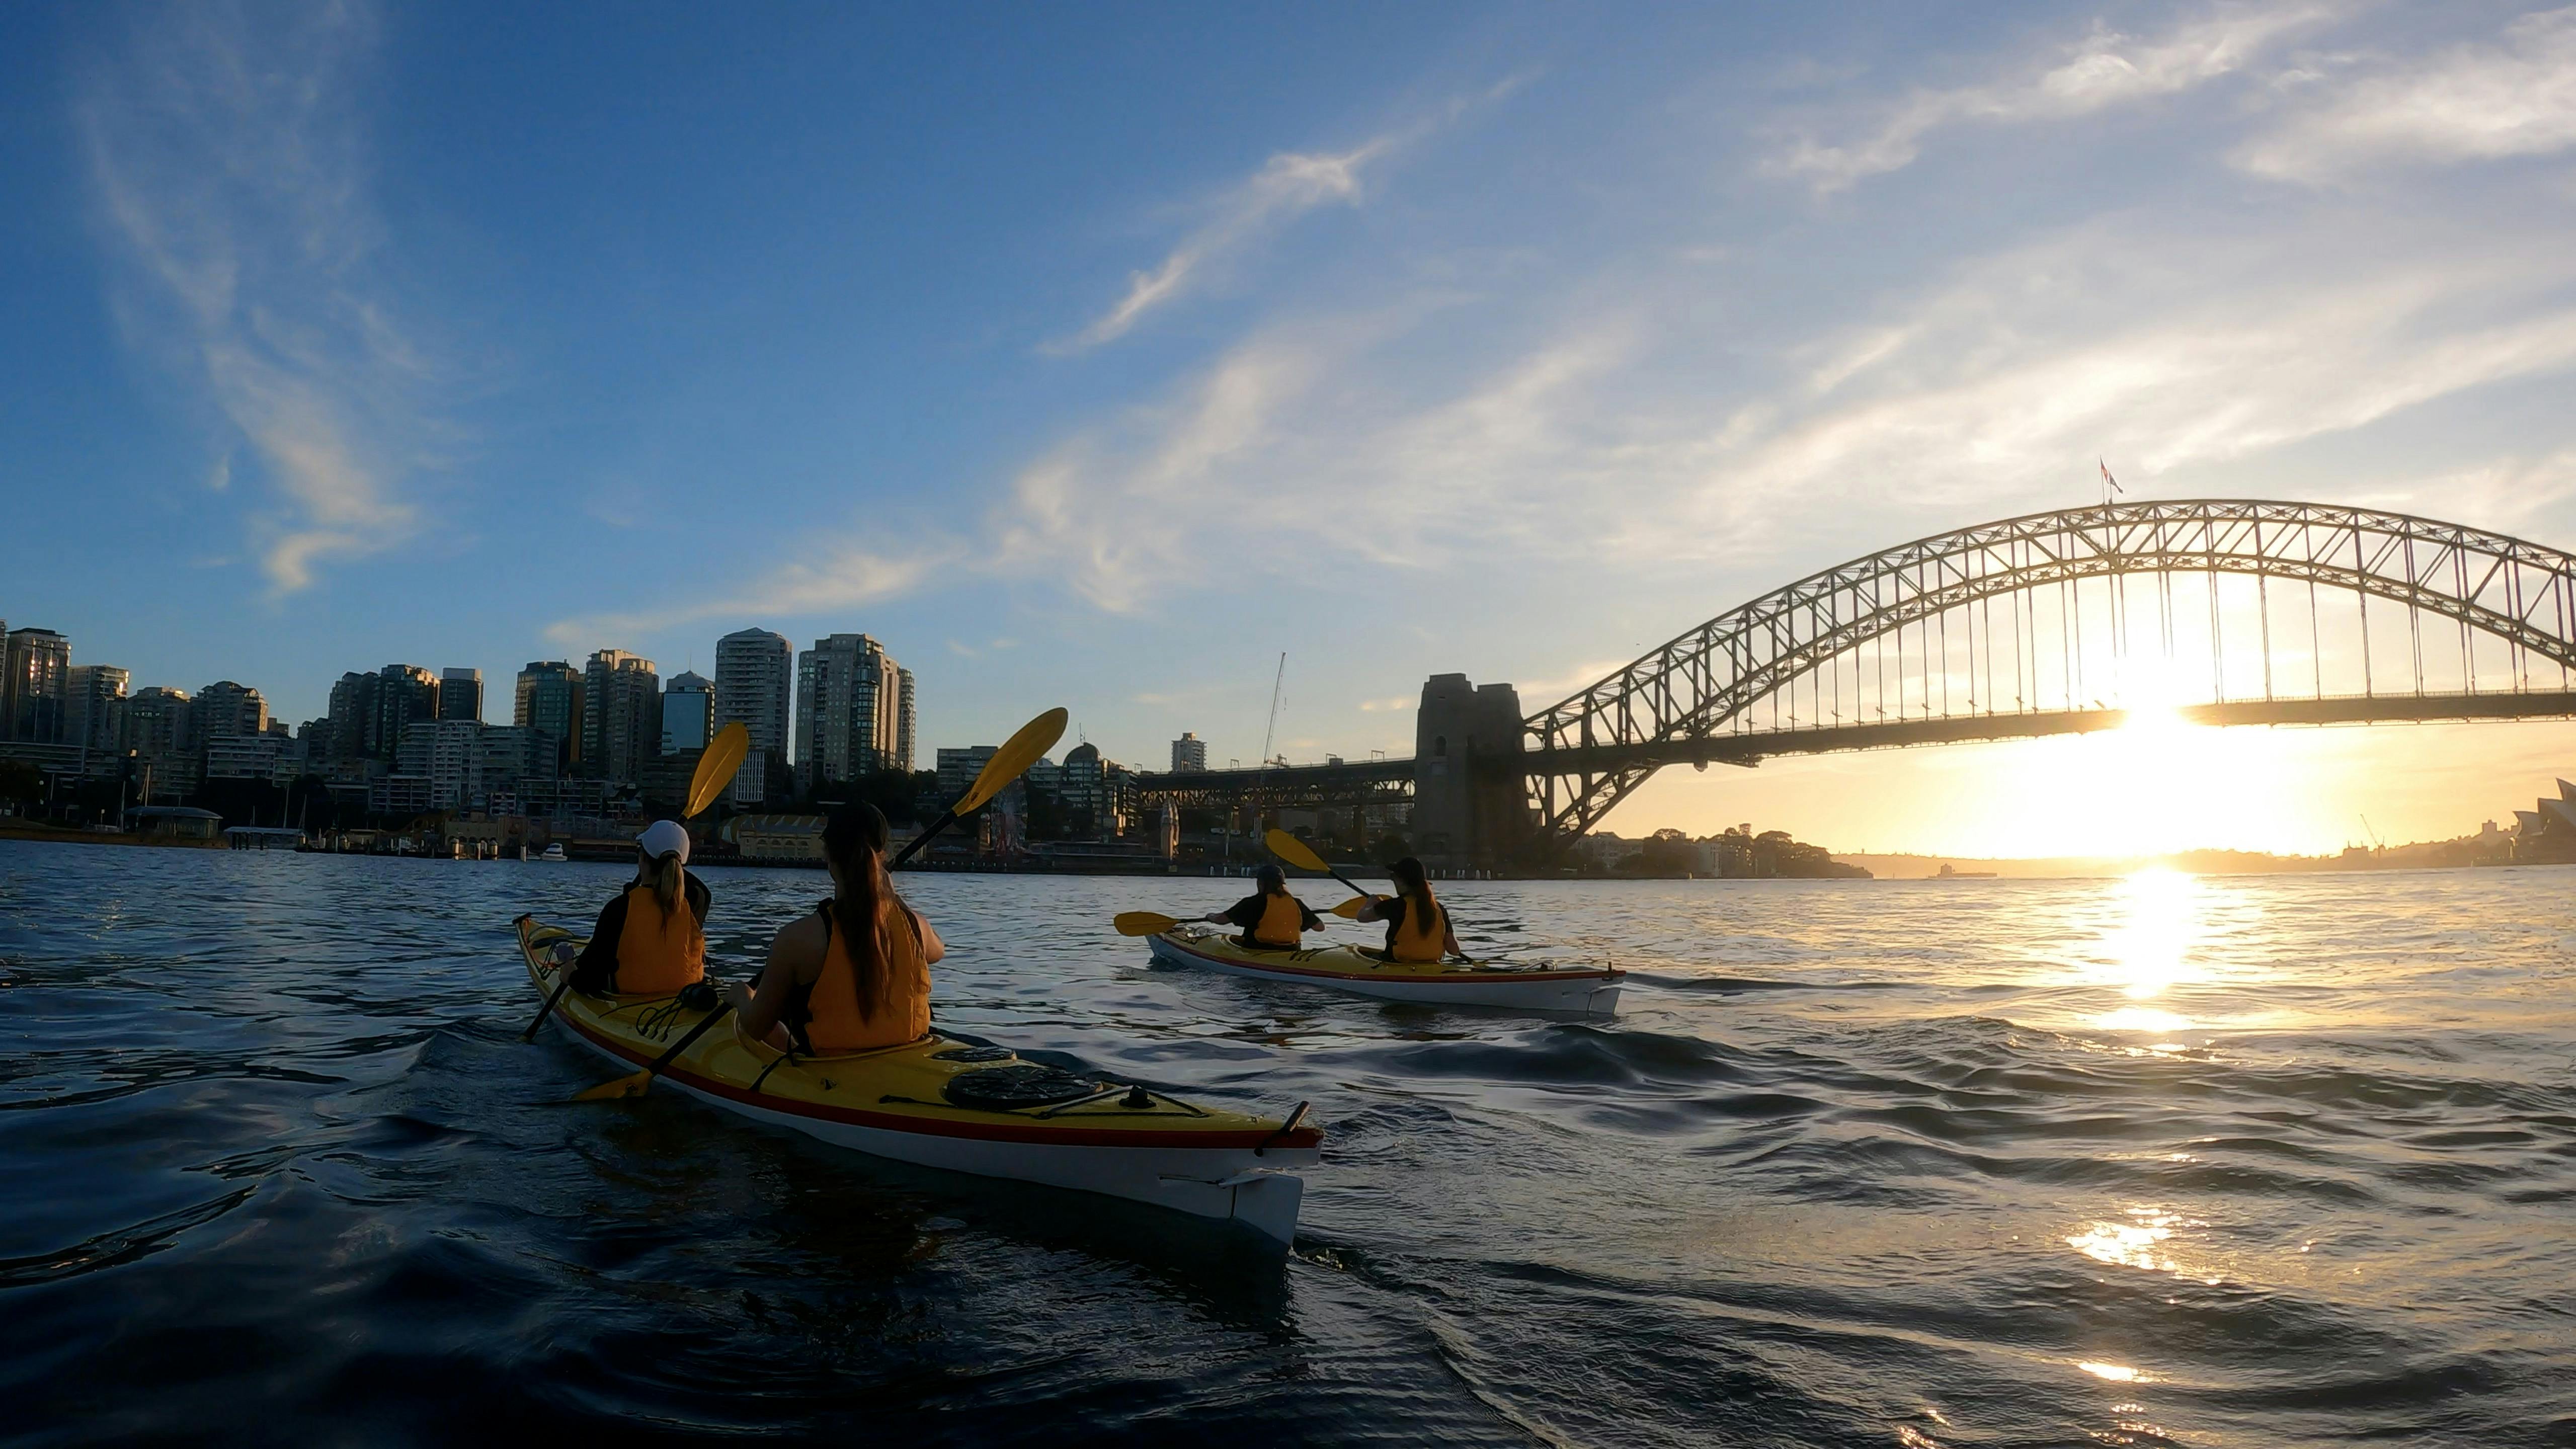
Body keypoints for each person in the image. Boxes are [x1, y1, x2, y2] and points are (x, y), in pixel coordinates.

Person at [727, 801, 944, 1054]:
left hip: (831, 1075)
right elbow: (939, 949)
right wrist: (891, 895)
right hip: (905, 1063)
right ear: (882, 853)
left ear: (827, 852)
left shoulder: (798, 939)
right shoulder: (916, 928)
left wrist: (742, 996)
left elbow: (755, 1027)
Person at [568, 819, 710, 995]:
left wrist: (568, 973)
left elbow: (587, 983)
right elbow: (695, 887)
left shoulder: (619, 908)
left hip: (628, 1004)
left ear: (642, 858)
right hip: (684, 998)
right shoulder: (697, 902)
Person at [1354, 856, 1462, 964]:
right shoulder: (1439, 908)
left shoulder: (1395, 906)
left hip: (1397, 964)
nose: (1393, 881)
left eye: (1393, 877)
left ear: (1401, 880)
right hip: (1432, 967)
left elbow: (1361, 917)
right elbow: (1454, 950)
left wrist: (1370, 903)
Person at [1204, 863, 1322, 949]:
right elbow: (1319, 927)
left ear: (1261, 883)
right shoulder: (1296, 903)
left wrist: (1211, 916)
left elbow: (1222, 920)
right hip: (1291, 950)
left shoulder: (1253, 903)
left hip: (1259, 949)